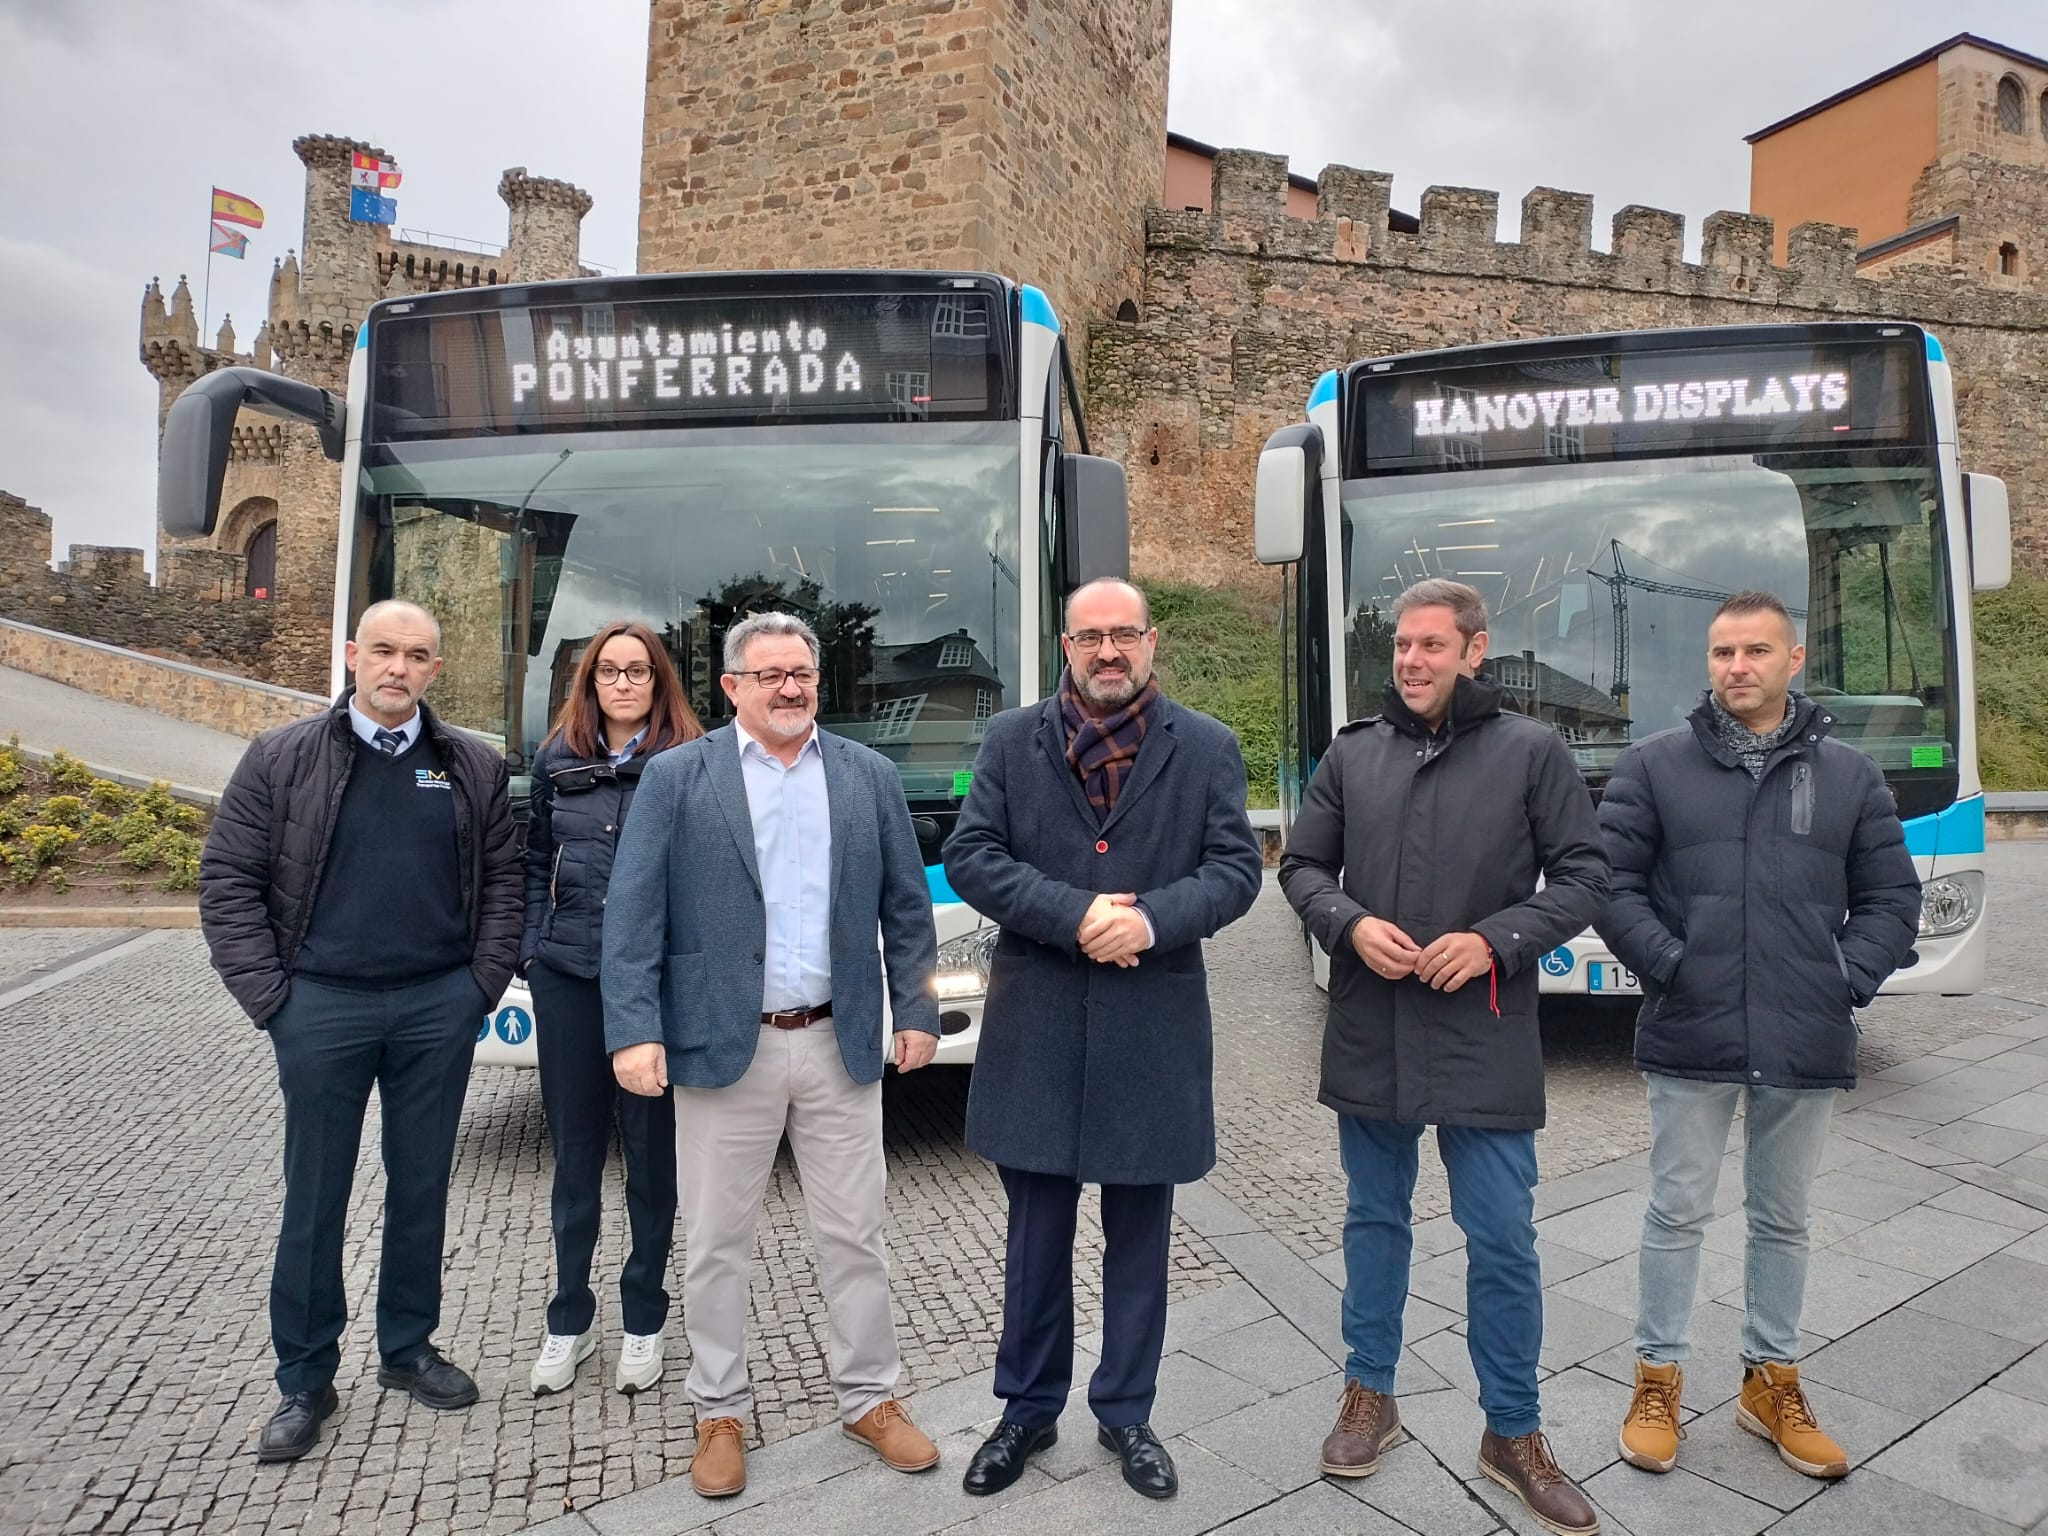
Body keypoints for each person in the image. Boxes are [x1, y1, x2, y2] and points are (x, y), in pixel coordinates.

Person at [1278, 578, 1610, 1536]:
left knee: (1502, 1236)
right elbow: (1301, 868)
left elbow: (1586, 875)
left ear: (1475, 650)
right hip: (1372, 1024)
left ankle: (1512, 1431)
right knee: (1373, 1220)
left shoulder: (1531, 750)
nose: (1413, 662)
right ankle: (1368, 1396)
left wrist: (1498, 939)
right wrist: (1346, 923)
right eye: (1402, 648)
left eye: (1432, 645)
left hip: (1483, 1028)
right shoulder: (1354, 754)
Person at [602, 611, 943, 1499]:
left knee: (855, 1233)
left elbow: (906, 909)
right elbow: (632, 916)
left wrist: (916, 1009)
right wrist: (634, 1029)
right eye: (771, 675)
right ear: (732, 688)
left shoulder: (867, 776)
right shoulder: (678, 778)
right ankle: (719, 1409)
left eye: (802, 673)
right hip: (725, 1049)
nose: (791, 688)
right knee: (717, 1241)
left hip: (838, 1042)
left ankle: (870, 1396)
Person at [945, 577, 1263, 1502]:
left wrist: (1153, 921)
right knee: (1035, 1238)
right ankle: (1027, 1410)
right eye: (1092, 636)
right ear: (1066, 644)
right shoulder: (1011, 739)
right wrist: (1075, 913)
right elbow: (974, 855)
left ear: (1153, 640)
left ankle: (1127, 1411)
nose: (1110, 651)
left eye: (1125, 634)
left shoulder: (1205, 746)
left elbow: (1237, 871)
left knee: (1140, 1239)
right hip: (1038, 1024)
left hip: (1150, 1027)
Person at [1597, 591, 1919, 1482]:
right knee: (1676, 1212)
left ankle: (1768, 1380)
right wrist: (1670, 963)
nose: (1736, 666)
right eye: (1721, 652)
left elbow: (1893, 899)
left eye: (1754, 651)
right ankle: (1657, 1377)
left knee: (1783, 1218)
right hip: (1690, 1025)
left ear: (1794, 660)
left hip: (1802, 1032)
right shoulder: (1655, 766)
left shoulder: (1851, 775)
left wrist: (1842, 979)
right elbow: (1610, 884)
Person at [198, 599, 522, 1464]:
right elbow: (227, 881)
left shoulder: (471, 766)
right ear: (351, 654)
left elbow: (504, 885)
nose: (398, 668)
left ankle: (408, 1349)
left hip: (434, 1010)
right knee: (315, 1198)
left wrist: (478, 987)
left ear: (435, 671)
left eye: (417, 656)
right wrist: (275, 1000)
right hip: (322, 1008)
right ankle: (305, 1377)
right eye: (383, 650)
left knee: (421, 1188)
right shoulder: (281, 757)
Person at [520, 622, 703, 1397]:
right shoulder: (558, 759)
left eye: (638, 671)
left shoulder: (692, 765)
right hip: (569, 979)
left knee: (652, 1164)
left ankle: (643, 1319)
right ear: (589, 681)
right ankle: (569, 1319)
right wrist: (535, 944)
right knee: (574, 1159)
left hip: (656, 990)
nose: (623, 683)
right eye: (608, 671)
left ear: (660, 682)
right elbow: (530, 860)